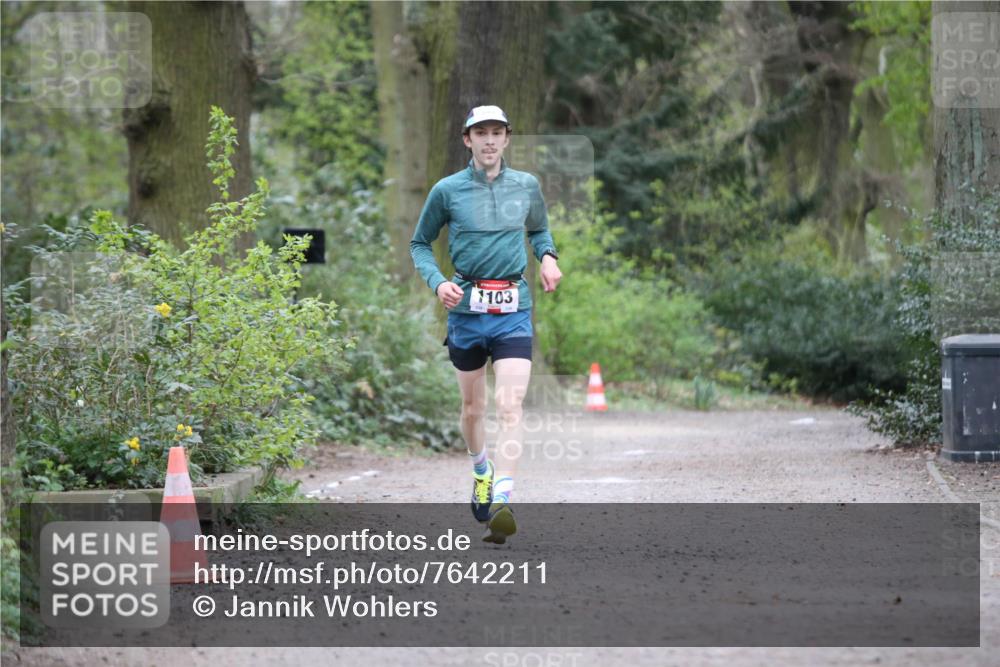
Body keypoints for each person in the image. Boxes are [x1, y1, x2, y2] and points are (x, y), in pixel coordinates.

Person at [410, 105, 561, 544]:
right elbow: (420, 243)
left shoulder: (526, 186)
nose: (490, 140)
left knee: (511, 406)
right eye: (482, 133)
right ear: (467, 140)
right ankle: (481, 470)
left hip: (513, 306)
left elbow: (539, 232)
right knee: (473, 409)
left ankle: (502, 499)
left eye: (497, 132)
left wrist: (548, 258)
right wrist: (438, 284)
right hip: (467, 309)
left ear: (507, 139)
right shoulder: (447, 191)